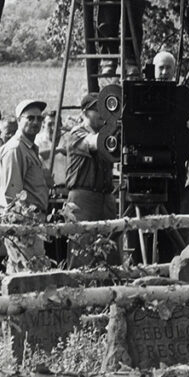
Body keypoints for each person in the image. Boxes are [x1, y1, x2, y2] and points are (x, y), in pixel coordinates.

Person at [0, 99, 52, 271]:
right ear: (19, 120)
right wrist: (24, 230)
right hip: (24, 226)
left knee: (31, 279)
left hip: (34, 224)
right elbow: (12, 197)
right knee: (26, 278)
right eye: (30, 118)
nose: (36, 122)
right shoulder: (15, 149)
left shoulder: (30, 148)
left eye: (39, 118)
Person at [64, 91, 117, 267]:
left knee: (110, 252)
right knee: (82, 253)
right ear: (85, 113)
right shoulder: (76, 134)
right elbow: (95, 143)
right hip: (82, 199)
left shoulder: (107, 135)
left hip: (105, 197)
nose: (103, 113)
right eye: (97, 109)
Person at [0, 117, 19, 196]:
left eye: (15, 132)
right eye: (8, 133)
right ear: (0, 133)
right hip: (3, 202)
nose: (12, 136)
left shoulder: (23, 153)